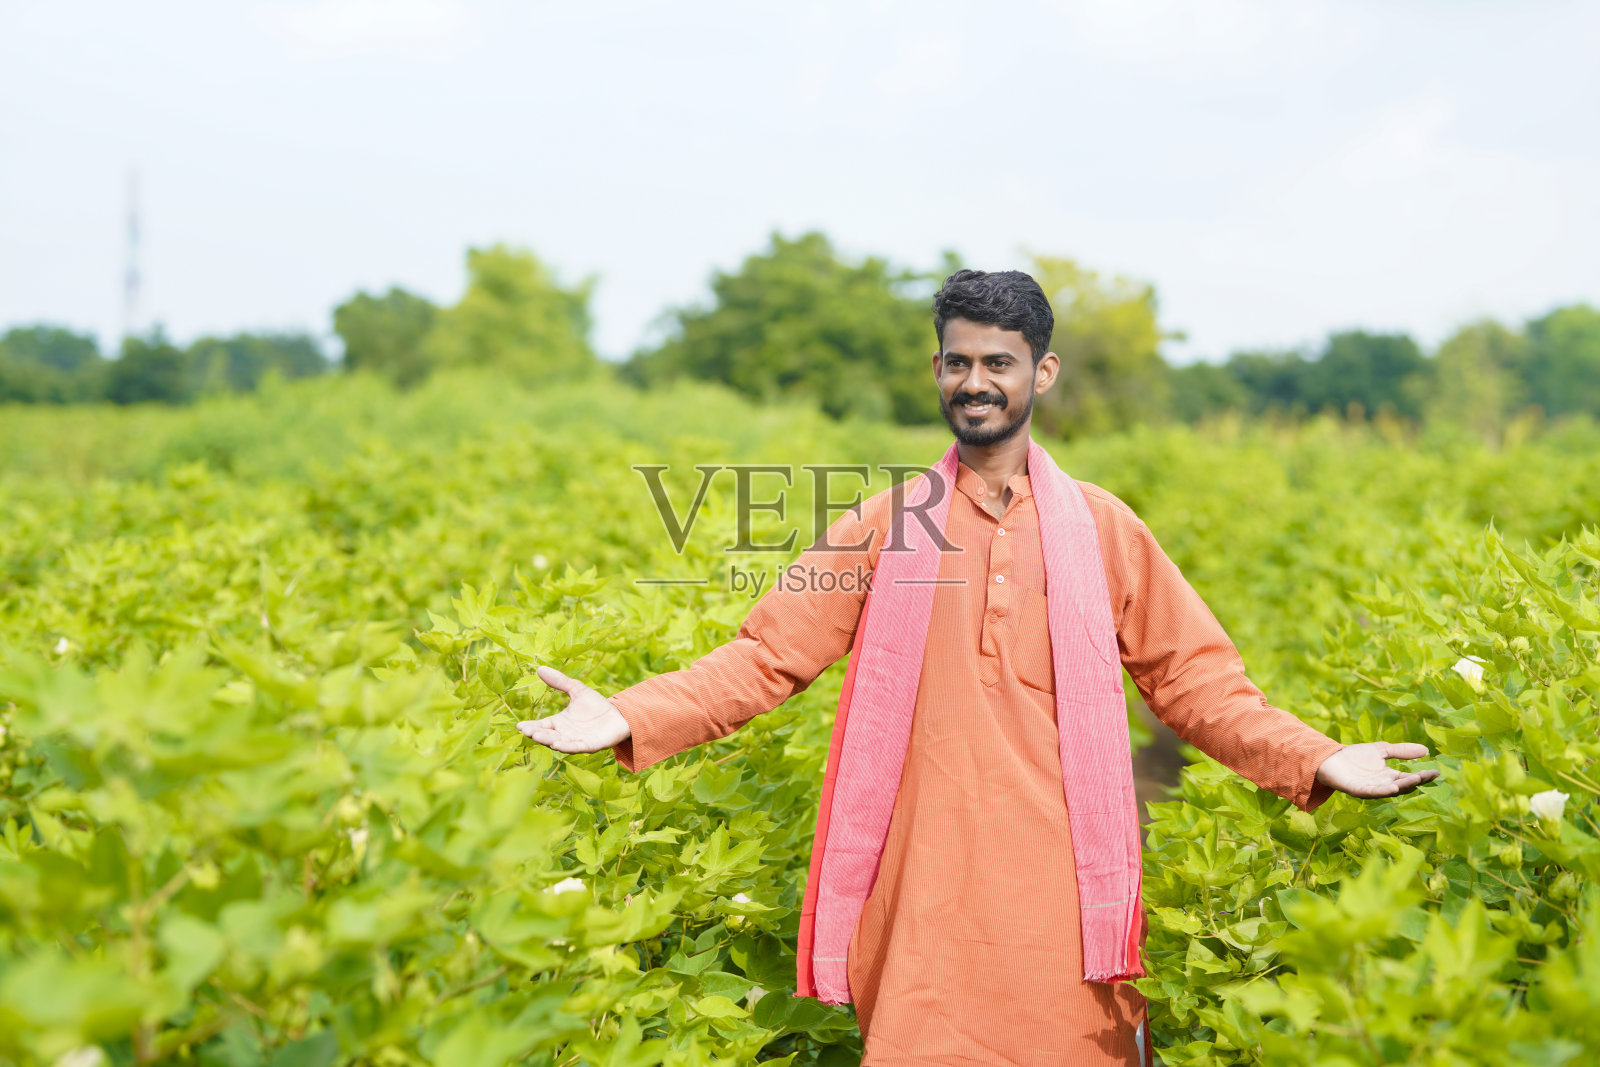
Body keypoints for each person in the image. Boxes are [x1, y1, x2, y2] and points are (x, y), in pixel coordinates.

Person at [517, 269, 1440, 1067]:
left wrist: (1317, 756)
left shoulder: (1106, 529)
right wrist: (632, 715)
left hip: (1065, 903)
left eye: (998, 362)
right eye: (958, 361)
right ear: (937, 371)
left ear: (1042, 372)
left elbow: (1197, 683)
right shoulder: (889, 522)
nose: (975, 381)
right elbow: (768, 655)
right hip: (924, 896)